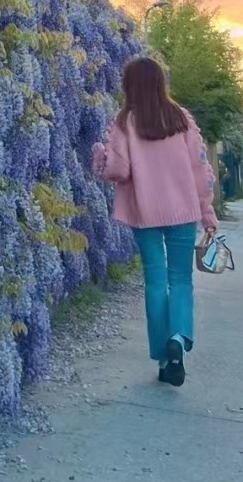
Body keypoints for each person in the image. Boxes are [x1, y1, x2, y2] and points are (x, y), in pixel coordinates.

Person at [92, 55, 218, 388]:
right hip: (183, 212)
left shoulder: (124, 123)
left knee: (155, 281)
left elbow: (118, 171)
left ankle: (164, 357)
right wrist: (208, 211)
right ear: (161, 83)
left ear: (129, 86)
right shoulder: (182, 119)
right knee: (181, 280)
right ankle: (178, 337)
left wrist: (99, 158)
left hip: (144, 214)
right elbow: (201, 170)